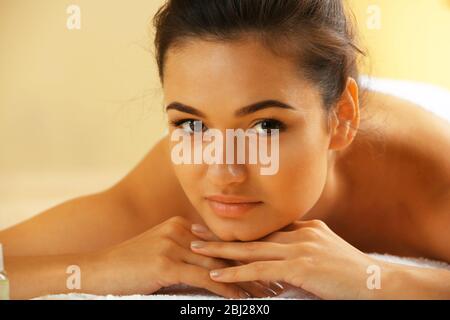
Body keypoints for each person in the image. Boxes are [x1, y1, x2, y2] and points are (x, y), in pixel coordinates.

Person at [1, 0, 449, 299]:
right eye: (191, 123)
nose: (222, 172)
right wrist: (99, 268)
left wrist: (378, 278)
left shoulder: (427, 179)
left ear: (342, 118)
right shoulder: (168, 186)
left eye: (266, 126)